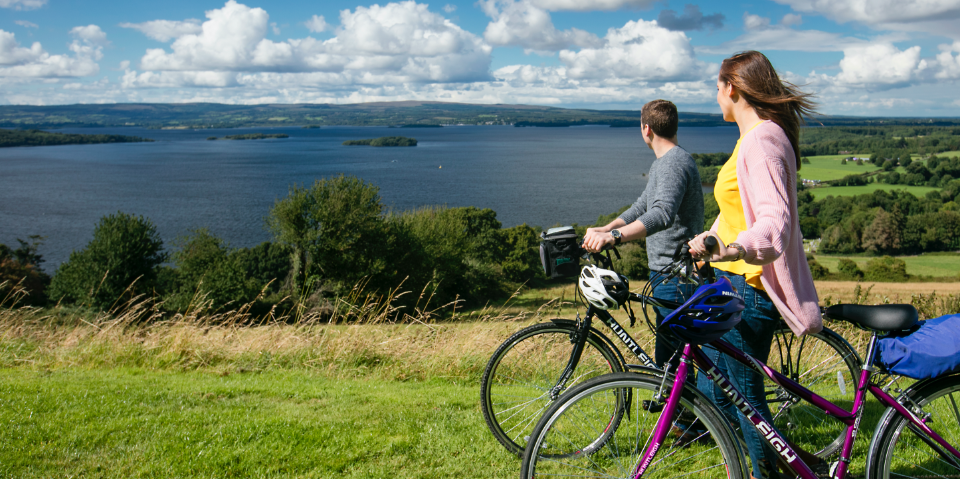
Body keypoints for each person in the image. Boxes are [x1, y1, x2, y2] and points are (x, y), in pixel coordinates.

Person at [687, 51, 823, 479]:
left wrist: (731, 250)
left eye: (716, 86)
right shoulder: (754, 137)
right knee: (718, 387)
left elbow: (773, 225)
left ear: (732, 87)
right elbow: (736, 212)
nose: (715, 95)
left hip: (748, 286)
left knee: (748, 402)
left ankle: (774, 472)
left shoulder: (762, 140)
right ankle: (795, 463)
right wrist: (707, 240)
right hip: (730, 283)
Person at [583, 99, 704, 367]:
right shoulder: (666, 161)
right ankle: (675, 405)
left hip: (675, 274)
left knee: (672, 358)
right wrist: (607, 228)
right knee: (671, 354)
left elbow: (661, 214)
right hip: (667, 272)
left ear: (646, 128)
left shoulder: (672, 163)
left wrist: (614, 238)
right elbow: (642, 206)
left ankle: (680, 408)